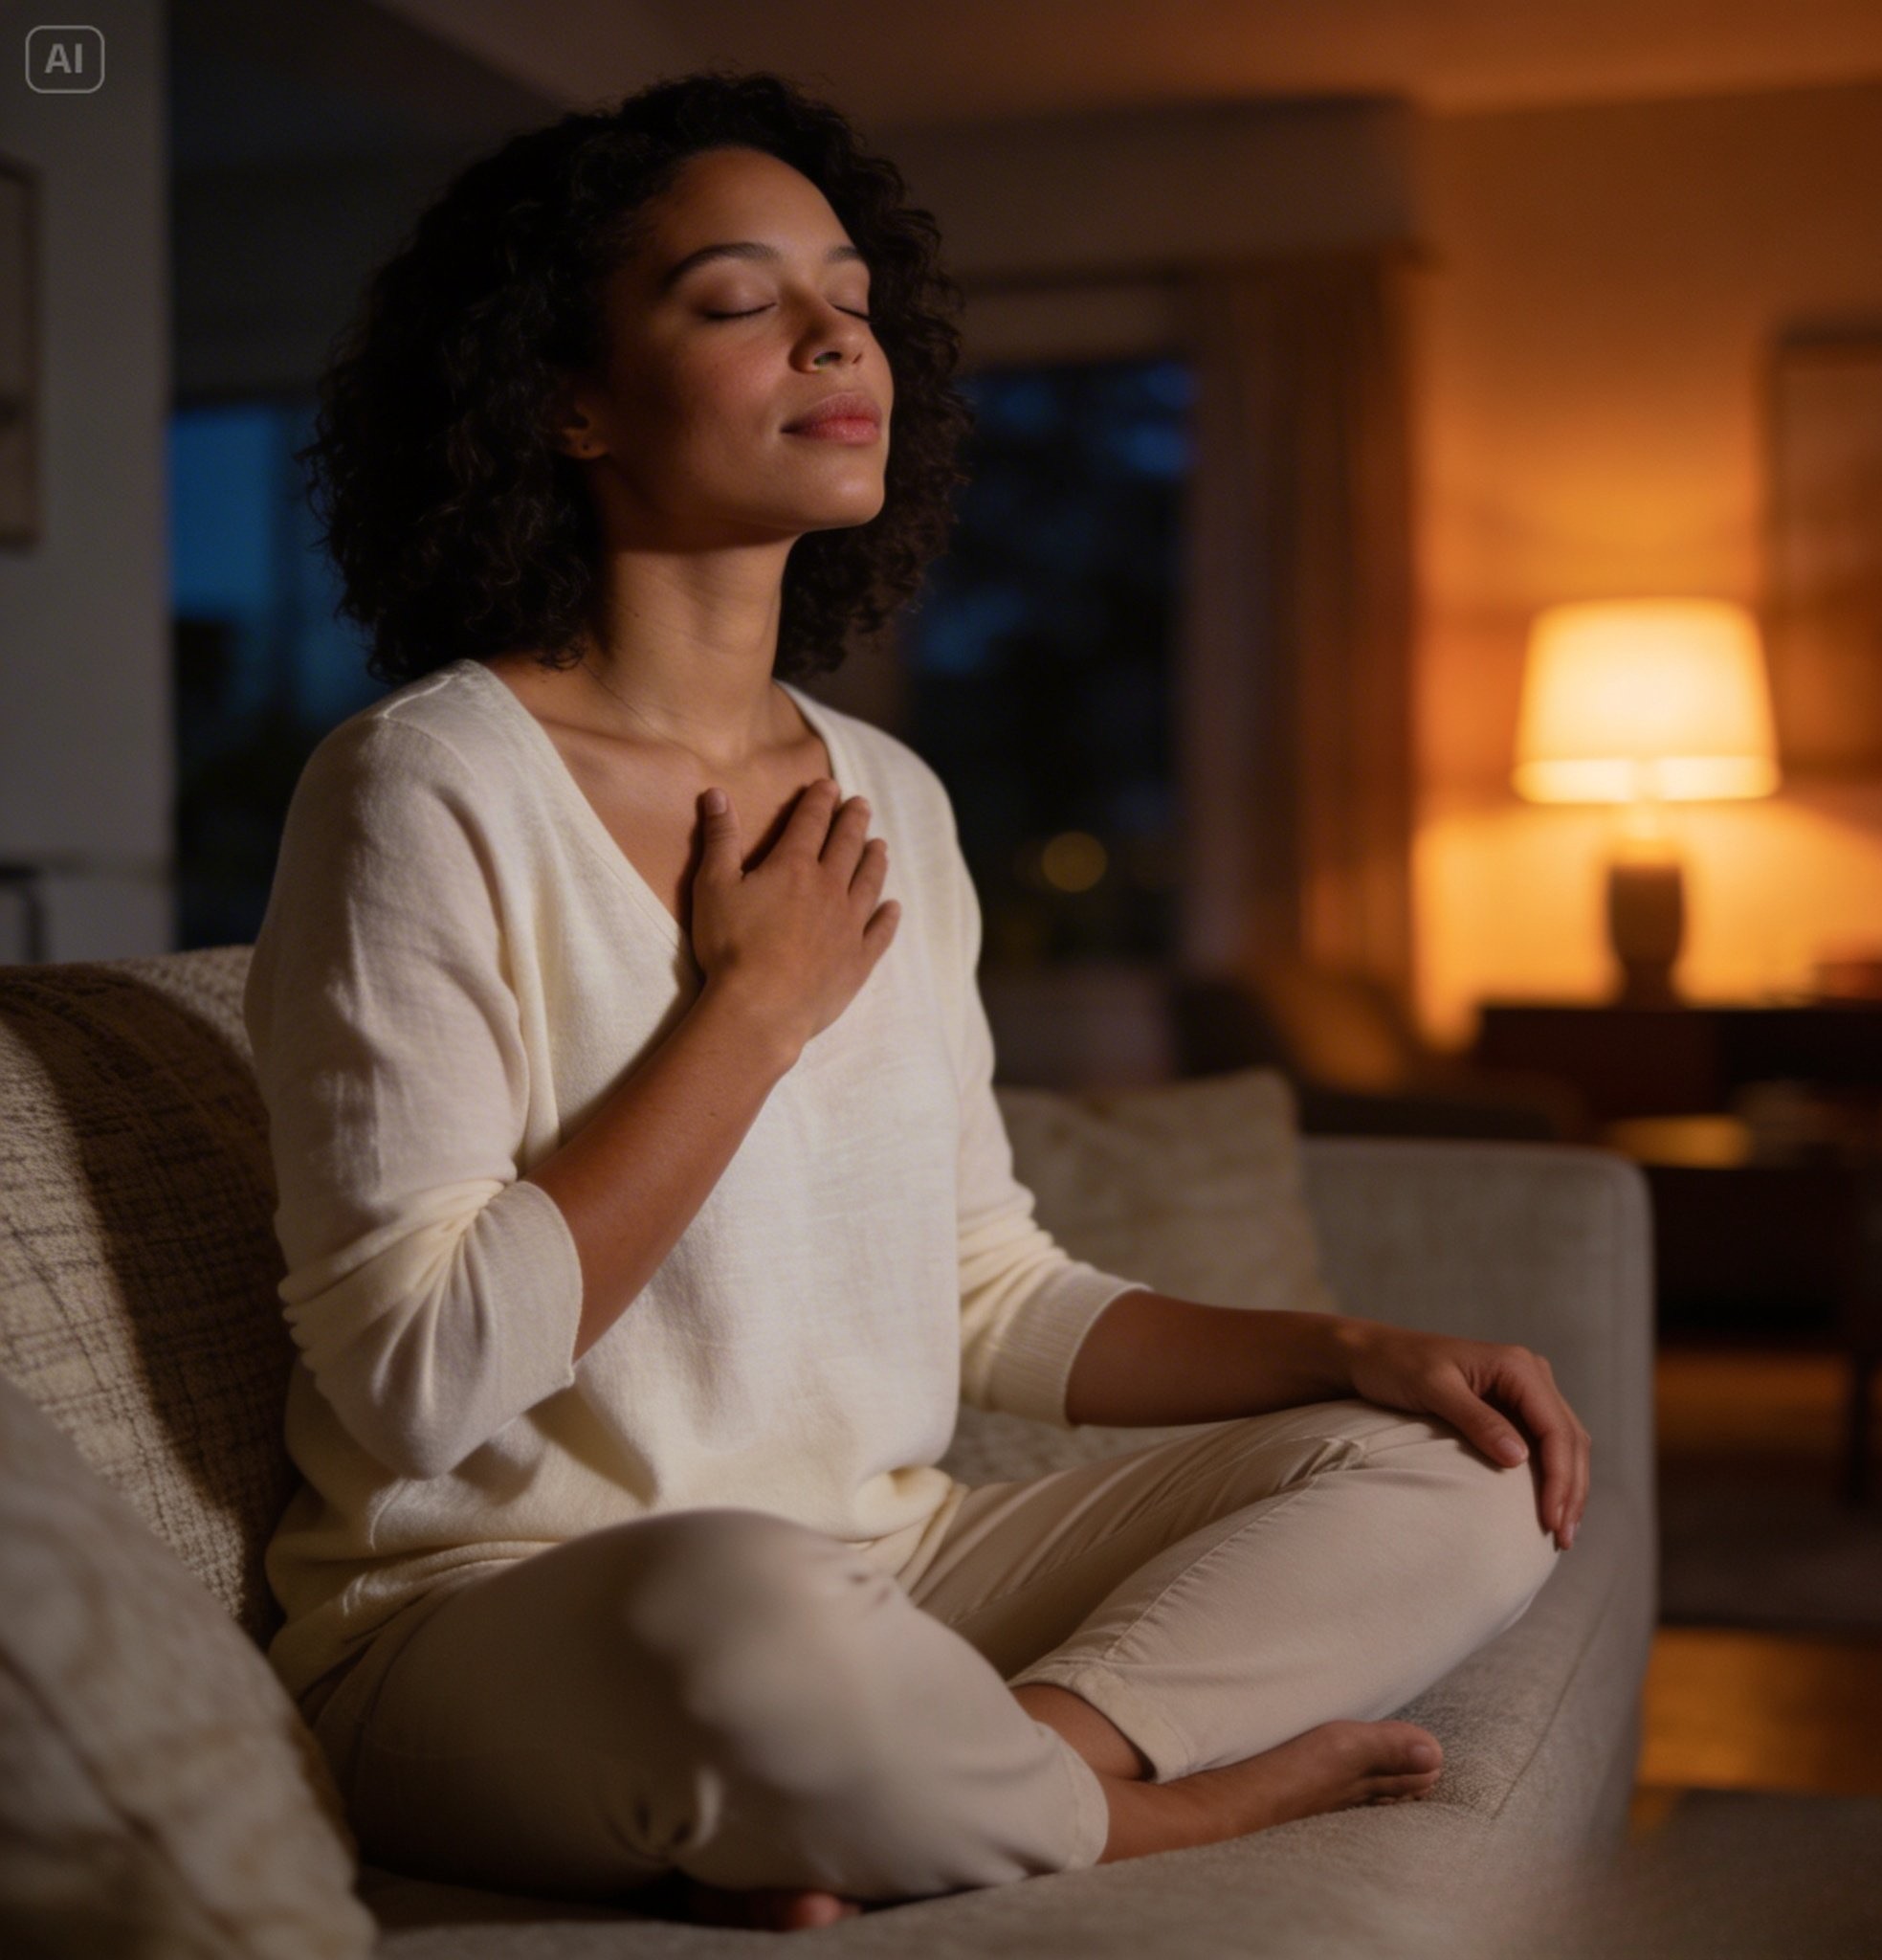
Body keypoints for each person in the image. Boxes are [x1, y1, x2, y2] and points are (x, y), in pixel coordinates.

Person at [246, 71, 1590, 1935]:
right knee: (743, 1613)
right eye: (735, 301)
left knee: (1462, 1469)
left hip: (889, 1578)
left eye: (852, 300)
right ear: (558, 397)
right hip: (518, 1619)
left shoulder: (891, 797)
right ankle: (1128, 1811)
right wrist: (744, 1016)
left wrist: (1345, 1345)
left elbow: (986, 1295)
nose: (828, 336)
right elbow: (418, 1380)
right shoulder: (423, 785)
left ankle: (982, 1769)